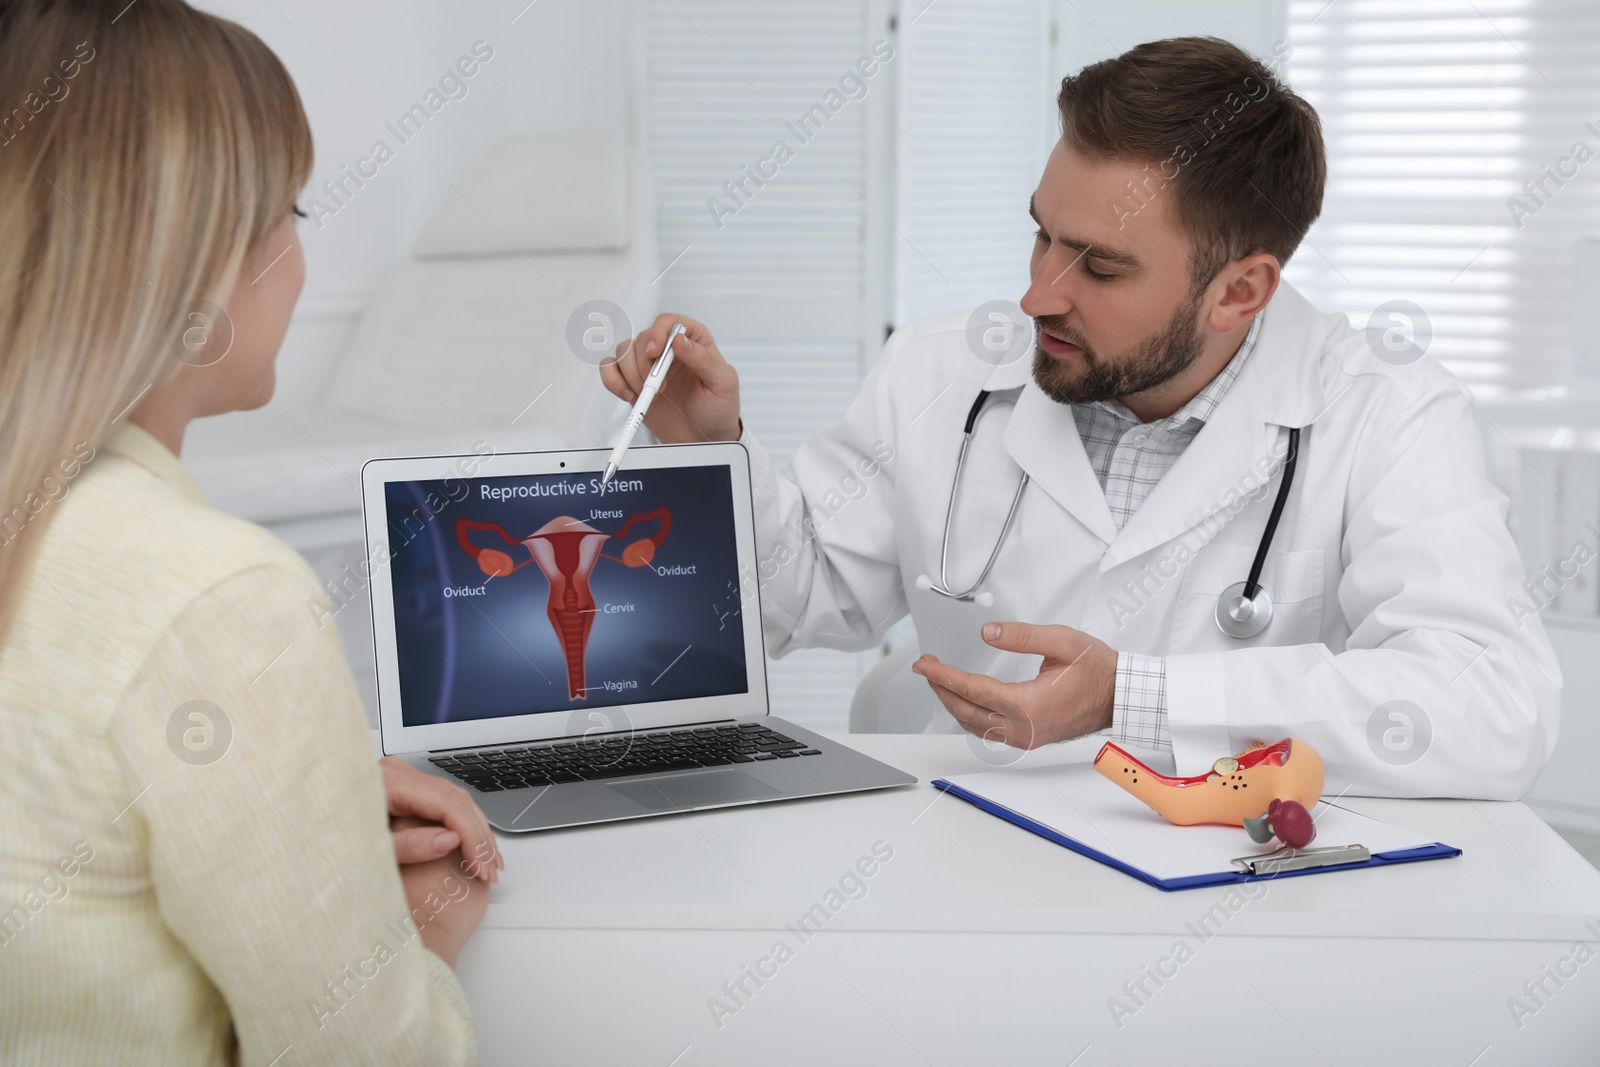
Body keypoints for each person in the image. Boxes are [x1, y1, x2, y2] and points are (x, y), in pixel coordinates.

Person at [600, 36, 1561, 799]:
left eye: (1098, 266)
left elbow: (1490, 710)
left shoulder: (1386, 413)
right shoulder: (941, 372)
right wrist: (708, 457)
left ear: (1242, 291)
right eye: (1041, 234)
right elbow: (800, 597)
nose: (1036, 298)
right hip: (961, 843)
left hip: (1232, 878)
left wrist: (1139, 695)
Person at [0, 1, 499, 1062]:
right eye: (293, 212)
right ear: (191, 254)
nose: (298, 253)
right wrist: (423, 940)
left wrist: (275, 782)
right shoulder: (215, 593)